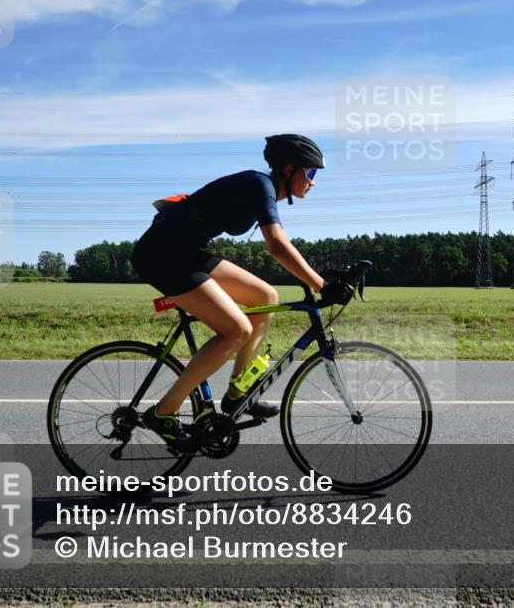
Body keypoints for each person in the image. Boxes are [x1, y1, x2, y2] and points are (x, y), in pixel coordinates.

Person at [129, 134, 354, 452]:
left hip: (185, 249)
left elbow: (284, 242)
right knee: (236, 330)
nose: (314, 182)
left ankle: (239, 393)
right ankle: (163, 413)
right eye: (311, 173)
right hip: (162, 254)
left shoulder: (265, 191)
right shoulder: (259, 184)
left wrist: (324, 277)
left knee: (266, 297)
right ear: (290, 170)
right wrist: (321, 285)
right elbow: (277, 246)